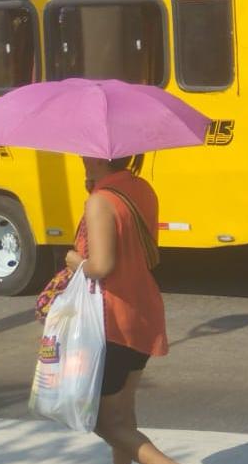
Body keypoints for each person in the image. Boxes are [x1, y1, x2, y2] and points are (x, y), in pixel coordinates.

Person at [62, 155, 181, 464]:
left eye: (85, 155)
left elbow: (101, 266)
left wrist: (75, 262)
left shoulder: (101, 201)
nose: (80, 158)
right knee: (124, 415)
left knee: (106, 423)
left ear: (99, 158)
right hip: (143, 310)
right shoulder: (140, 188)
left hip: (112, 319)